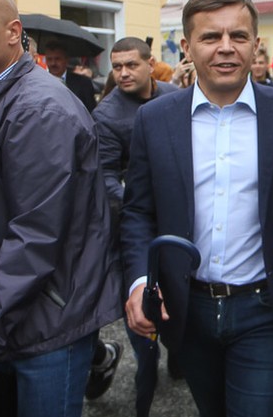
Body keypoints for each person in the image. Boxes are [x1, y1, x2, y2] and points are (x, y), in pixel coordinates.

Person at [121, 0, 273, 417]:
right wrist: (138, 282)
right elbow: (138, 211)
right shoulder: (154, 119)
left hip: (266, 311)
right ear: (187, 47)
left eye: (239, 36)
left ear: (255, 44)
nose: (226, 47)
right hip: (188, 309)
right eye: (211, 37)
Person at [0, 0, 122, 417]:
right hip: (0, 312)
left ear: (13, 32)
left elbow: (35, 237)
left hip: (45, 322)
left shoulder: (38, 108)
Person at [90, 37, 177, 416]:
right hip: (133, 222)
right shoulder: (107, 114)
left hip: (180, 216)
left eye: (131, 65)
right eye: (117, 66)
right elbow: (104, 176)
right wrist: (137, 203)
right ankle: (147, 372)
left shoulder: (173, 95)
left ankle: (180, 355)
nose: (123, 73)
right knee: (140, 300)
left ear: (150, 64)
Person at [44, 42, 97, 111]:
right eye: (49, 59)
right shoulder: (40, 82)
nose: (53, 63)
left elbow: (90, 111)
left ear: (66, 59)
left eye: (57, 59)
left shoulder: (83, 83)